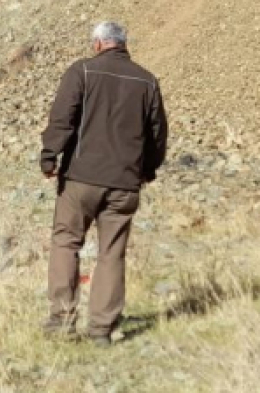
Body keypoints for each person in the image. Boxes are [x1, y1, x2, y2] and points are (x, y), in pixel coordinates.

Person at [39, 21, 169, 345]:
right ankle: (101, 328)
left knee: (66, 242)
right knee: (112, 252)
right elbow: (157, 134)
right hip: (125, 183)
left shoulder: (81, 72)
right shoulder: (147, 82)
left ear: (98, 44)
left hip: (81, 179)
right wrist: (147, 169)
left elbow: (63, 117)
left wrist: (49, 155)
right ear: (123, 45)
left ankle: (62, 320)